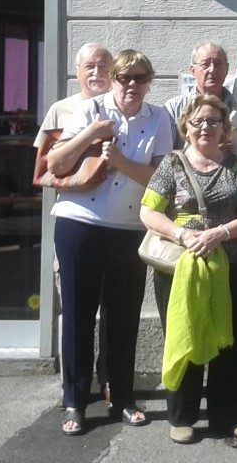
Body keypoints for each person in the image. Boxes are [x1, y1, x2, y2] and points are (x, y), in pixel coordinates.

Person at [47, 49, 173, 436]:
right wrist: (92, 132)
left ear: (149, 83)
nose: (132, 85)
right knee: (79, 315)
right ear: (114, 79)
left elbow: (160, 179)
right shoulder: (91, 109)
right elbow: (55, 164)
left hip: (129, 229)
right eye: (124, 77)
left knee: (123, 317)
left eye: (140, 78)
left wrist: (118, 160)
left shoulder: (159, 119)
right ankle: (75, 400)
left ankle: (121, 397)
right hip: (79, 224)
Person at [141, 94, 237, 443]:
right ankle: (182, 417)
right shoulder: (171, 165)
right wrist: (181, 234)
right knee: (185, 332)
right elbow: (148, 211)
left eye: (213, 121)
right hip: (179, 267)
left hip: (233, 264)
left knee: (230, 340)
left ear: (224, 128)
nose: (205, 127)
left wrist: (220, 233)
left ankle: (228, 416)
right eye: (198, 121)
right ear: (186, 127)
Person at [35, 42, 112, 405]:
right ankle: (75, 391)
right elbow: (42, 170)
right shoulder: (60, 110)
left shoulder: (123, 108)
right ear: (77, 71)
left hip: (117, 223)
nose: (96, 72)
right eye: (89, 66)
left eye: (103, 66)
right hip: (76, 222)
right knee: (77, 312)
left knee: (114, 311)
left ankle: (111, 381)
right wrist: (81, 167)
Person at [164, 41, 237, 156]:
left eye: (218, 64)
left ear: (226, 69)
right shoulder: (174, 108)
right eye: (205, 64)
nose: (212, 70)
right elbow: (163, 153)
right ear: (193, 71)